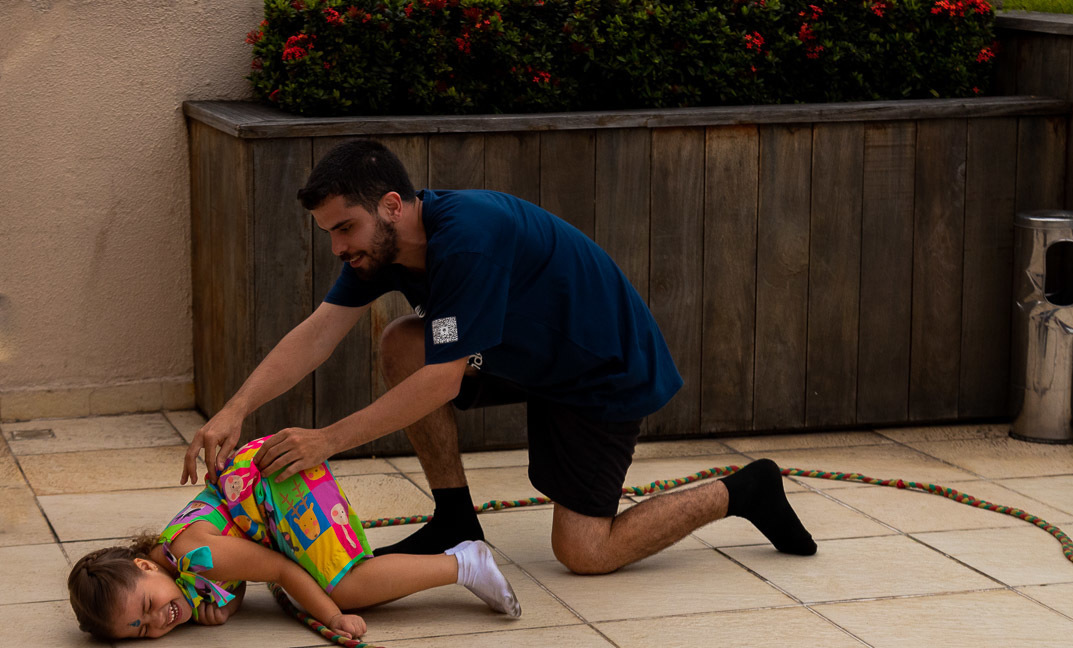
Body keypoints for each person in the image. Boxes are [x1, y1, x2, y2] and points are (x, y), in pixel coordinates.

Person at [181, 139, 816, 574]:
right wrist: (236, 408)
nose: (337, 246)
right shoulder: (384, 249)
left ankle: (745, 490)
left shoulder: (470, 240)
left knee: (583, 552)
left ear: (392, 207)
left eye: (344, 227)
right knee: (403, 341)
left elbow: (441, 380)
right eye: (329, 234)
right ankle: (456, 519)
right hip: (528, 353)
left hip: (602, 369)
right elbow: (320, 330)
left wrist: (327, 439)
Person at [70, 438, 519, 641]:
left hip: (282, 483)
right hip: (268, 496)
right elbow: (241, 575)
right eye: (143, 629)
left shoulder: (193, 555)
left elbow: (281, 569)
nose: (158, 621)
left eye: (147, 607)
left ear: (145, 566)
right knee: (339, 581)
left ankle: (465, 562)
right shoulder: (175, 568)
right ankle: (459, 562)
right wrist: (224, 608)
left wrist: (333, 617)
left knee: (345, 588)